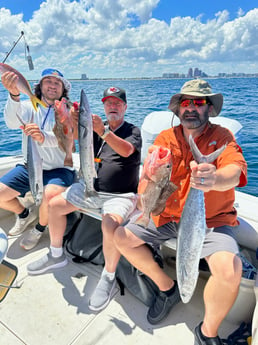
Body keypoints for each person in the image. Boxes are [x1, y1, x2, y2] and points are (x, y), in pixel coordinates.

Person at [112, 79, 247, 345]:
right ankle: (167, 288)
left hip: (210, 220)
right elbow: (150, 171)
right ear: (178, 108)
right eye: (186, 103)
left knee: (230, 270)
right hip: (169, 215)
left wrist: (214, 178)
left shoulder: (222, 138)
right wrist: (151, 167)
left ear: (209, 108)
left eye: (199, 102)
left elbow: (235, 171)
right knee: (120, 237)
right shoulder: (166, 137)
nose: (192, 108)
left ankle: (207, 332)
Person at [27, 86, 142, 310]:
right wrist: (72, 119)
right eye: (109, 103)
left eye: (117, 103)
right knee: (54, 204)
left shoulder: (132, 130)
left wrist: (103, 132)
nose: (113, 107)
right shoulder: (96, 127)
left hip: (120, 195)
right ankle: (56, 254)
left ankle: (108, 277)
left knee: (110, 225)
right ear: (104, 106)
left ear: (125, 107)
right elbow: (72, 136)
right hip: (90, 187)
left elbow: (127, 151)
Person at [0, 68, 76, 250]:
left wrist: (43, 137)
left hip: (59, 168)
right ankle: (24, 213)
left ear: (63, 89)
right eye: (48, 81)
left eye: (57, 83)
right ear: (40, 86)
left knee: (48, 196)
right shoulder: (27, 107)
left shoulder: (69, 111)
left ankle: (40, 228)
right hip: (29, 167)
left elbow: (67, 140)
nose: (52, 85)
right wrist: (14, 95)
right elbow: (11, 123)